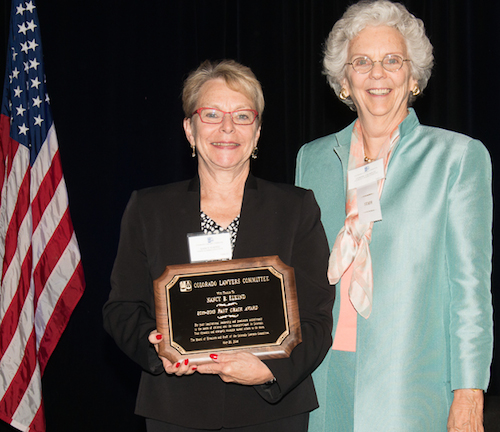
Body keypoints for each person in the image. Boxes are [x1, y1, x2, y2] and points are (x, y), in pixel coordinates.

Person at [104, 59, 334, 432]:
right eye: (211, 114)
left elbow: (317, 317)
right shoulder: (148, 208)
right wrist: (155, 344)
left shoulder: (296, 208)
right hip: (176, 409)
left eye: (243, 116)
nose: (227, 127)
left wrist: (267, 370)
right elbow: (121, 308)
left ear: (257, 133)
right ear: (189, 129)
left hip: (272, 412)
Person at [295, 1, 493, 431]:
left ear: (414, 76)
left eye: (392, 61)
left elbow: (471, 292)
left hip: (410, 389)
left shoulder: (456, 158)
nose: (377, 74)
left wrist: (469, 392)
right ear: (344, 80)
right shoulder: (311, 160)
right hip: (321, 382)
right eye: (361, 62)